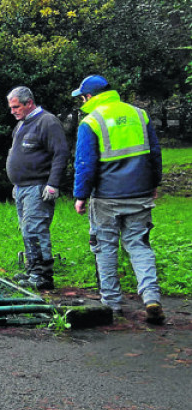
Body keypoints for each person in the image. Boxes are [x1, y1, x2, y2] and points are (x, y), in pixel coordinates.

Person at [71, 75, 164, 324]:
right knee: (139, 245)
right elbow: (155, 153)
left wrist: (80, 196)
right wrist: (154, 183)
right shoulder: (139, 115)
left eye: (82, 97)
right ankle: (151, 297)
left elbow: (85, 164)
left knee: (105, 247)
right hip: (140, 194)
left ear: (88, 97)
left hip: (106, 197)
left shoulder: (91, 122)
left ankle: (111, 303)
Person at [5, 86, 70, 290]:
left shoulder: (47, 122)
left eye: (16, 107)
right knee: (27, 230)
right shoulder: (22, 124)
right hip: (23, 187)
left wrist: (53, 184)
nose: (13, 111)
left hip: (38, 186)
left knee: (36, 229)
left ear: (29, 103)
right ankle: (32, 270)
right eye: (11, 107)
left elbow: (60, 153)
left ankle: (43, 275)